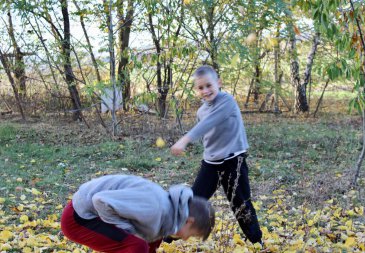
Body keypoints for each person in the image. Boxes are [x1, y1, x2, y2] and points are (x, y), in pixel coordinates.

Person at [171, 65, 262, 244]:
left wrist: (185, 139)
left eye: (209, 85)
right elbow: (205, 135)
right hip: (211, 164)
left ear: (218, 83)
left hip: (233, 161)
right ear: (196, 89)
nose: (205, 90)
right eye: (200, 87)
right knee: (193, 201)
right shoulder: (201, 111)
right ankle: (165, 237)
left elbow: (209, 123)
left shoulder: (227, 101)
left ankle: (257, 243)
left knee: (241, 204)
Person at [60, 174, 215, 253]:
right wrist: (126, 230)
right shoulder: (155, 207)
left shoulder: (168, 212)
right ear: (189, 221)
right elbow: (100, 200)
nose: (186, 239)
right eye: (192, 234)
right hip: (78, 219)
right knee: (136, 245)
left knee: (151, 240)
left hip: (94, 214)